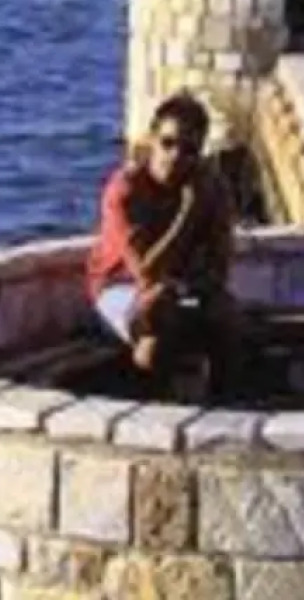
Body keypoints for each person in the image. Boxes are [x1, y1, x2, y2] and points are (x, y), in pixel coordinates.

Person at [87, 93, 240, 399]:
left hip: (178, 285)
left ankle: (226, 403)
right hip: (120, 286)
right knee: (159, 310)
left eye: (188, 150)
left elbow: (220, 263)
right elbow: (146, 273)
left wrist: (201, 285)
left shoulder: (209, 186)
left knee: (225, 313)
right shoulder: (126, 191)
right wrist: (187, 211)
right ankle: (153, 410)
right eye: (168, 143)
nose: (176, 156)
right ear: (152, 141)